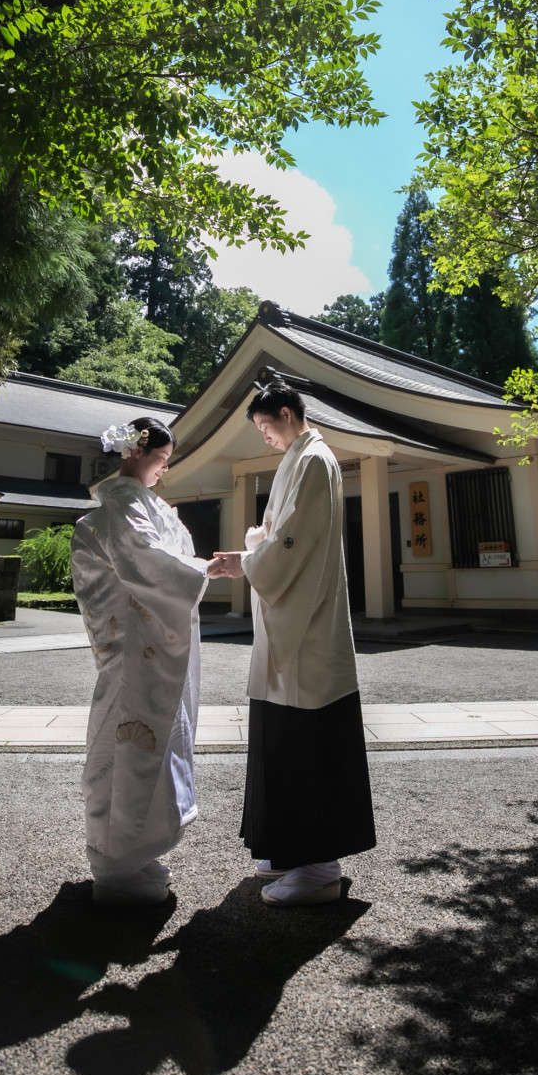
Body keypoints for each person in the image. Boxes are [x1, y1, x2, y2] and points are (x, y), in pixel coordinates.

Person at [208, 374, 376, 906]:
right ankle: (288, 851)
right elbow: (278, 536)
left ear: (285, 415)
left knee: (306, 739)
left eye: (264, 427)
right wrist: (256, 551)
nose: (265, 438)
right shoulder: (301, 459)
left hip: (306, 627)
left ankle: (319, 866)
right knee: (284, 736)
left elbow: (292, 542)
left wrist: (251, 557)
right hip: (291, 621)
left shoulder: (314, 460)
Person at [71, 420, 209, 906]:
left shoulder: (139, 504)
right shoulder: (121, 506)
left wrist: (196, 567)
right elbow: (151, 564)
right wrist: (208, 569)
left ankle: (139, 850)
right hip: (134, 648)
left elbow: (168, 556)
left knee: (153, 741)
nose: (165, 468)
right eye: (161, 458)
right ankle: (115, 863)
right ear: (135, 452)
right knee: (126, 745)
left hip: (147, 640)